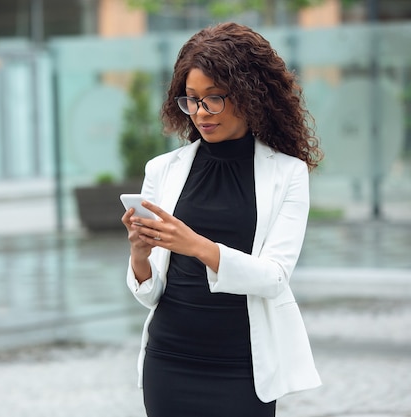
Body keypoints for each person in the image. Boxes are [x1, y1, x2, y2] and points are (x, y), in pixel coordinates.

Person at [121, 22, 323, 417]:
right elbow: (148, 293)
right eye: (191, 100)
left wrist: (194, 245)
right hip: (170, 361)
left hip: (242, 367)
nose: (199, 113)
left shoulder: (287, 174)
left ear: (250, 96)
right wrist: (140, 256)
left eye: (213, 99)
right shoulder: (162, 170)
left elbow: (274, 277)